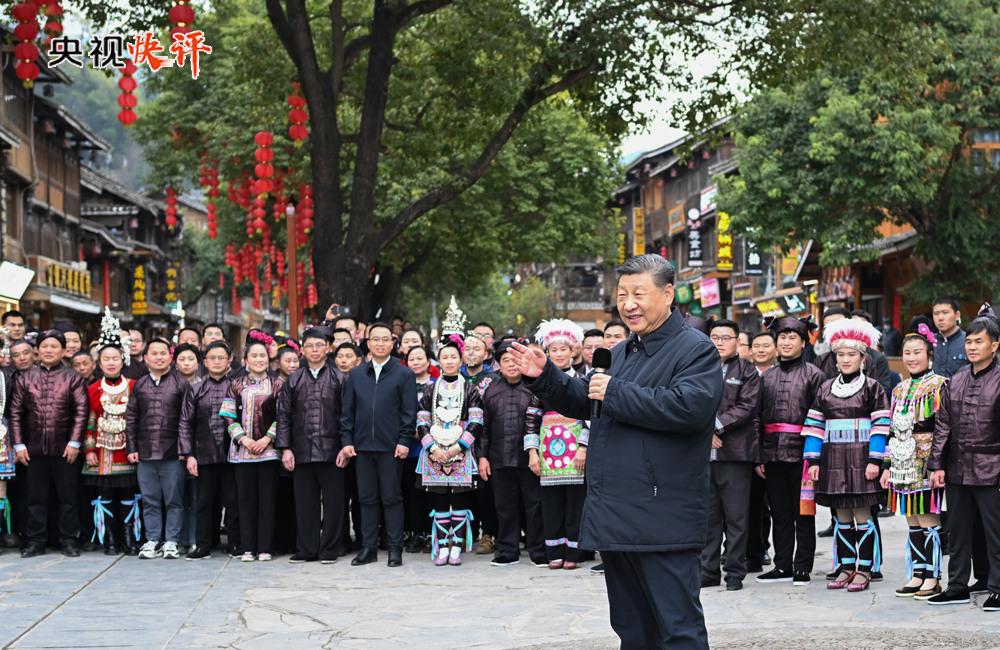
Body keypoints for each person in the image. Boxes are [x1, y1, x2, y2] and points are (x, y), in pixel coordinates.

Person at [511, 254, 723, 650]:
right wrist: (547, 378)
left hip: (663, 517)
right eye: (622, 294)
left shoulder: (695, 349)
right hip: (616, 512)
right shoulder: (623, 350)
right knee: (631, 628)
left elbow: (689, 409)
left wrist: (616, 392)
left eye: (639, 293)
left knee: (678, 629)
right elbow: (588, 399)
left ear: (667, 294)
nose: (629, 303)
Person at [801, 318, 889, 592]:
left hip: (863, 459)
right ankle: (846, 566)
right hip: (834, 460)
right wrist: (813, 461)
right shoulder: (825, 388)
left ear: (863, 357)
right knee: (841, 516)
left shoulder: (873, 387)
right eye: (841, 354)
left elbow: (881, 425)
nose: (846, 359)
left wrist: (876, 460)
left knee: (862, 515)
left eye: (852, 354)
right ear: (834, 358)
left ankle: (865, 568)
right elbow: (815, 426)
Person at [927, 304, 1000, 609]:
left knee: (994, 532)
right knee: (957, 530)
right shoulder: (955, 379)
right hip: (956, 468)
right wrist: (936, 465)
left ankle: (996, 586)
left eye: (978, 341)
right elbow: (943, 425)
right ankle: (958, 584)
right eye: (969, 341)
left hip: (991, 468)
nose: (971, 347)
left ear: (995, 345)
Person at [338, 321, 416, 568]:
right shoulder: (358, 374)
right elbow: (347, 412)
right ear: (368, 343)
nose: (381, 343)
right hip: (362, 448)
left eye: (386, 339)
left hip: (391, 448)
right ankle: (368, 548)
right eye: (376, 339)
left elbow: (409, 413)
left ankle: (395, 549)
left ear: (393, 343)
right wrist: (347, 441)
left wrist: (404, 440)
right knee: (367, 499)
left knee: (392, 498)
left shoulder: (404, 374)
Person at [756, 315, 826, 586]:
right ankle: (782, 565)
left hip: (804, 456)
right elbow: (757, 417)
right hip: (772, 454)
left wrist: (817, 456)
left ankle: (803, 567)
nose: (786, 342)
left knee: (804, 512)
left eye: (792, 338)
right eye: (782, 337)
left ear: (803, 342)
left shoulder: (815, 375)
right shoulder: (766, 377)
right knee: (780, 512)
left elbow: (822, 417)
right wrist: (759, 455)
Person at [879, 324, 947, 599]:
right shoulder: (899, 389)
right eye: (907, 353)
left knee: (929, 517)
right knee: (912, 519)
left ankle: (933, 576)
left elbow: (944, 427)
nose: (911, 357)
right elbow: (893, 429)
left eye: (917, 352)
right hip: (901, 461)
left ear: (930, 354)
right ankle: (917, 573)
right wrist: (886, 465)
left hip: (927, 458)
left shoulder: (940, 385)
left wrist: (938, 462)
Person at [11, 329, 90, 558]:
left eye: (54, 346)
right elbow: (16, 413)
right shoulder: (25, 378)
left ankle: (69, 540)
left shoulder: (72, 377)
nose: (48, 350)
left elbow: (81, 411)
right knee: (35, 497)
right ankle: (35, 541)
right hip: (33, 449)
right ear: (37, 351)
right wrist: (19, 445)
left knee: (67, 496)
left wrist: (75, 442)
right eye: (44, 346)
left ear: (63, 351)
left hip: (65, 448)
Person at [277, 327, 347, 564]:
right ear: (302, 350)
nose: (314, 350)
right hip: (301, 451)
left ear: (328, 348)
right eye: (309, 346)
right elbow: (283, 415)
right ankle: (307, 550)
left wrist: (345, 447)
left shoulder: (340, 378)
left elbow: (348, 417)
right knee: (305, 504)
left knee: (334, 504)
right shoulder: (294, 379)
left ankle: (329, 550)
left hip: (332, 452)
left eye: (319, 345)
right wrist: (285, 448)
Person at [701, 319, 762, 592]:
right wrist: (703, 430)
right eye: (715, 337)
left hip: (734, 453)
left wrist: (715, 426)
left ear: (738, 342)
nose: (719, 342)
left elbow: (747, 407)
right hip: (701, 454)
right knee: (708, 516)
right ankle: (708, 570)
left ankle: (735, 572)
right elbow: (687, 400)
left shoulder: (748, 371)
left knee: (736, 517)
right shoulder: (697, 368)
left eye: (726, 337)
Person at [416, 331, 483, 566]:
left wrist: (459, 447)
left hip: (460, 452)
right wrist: (432, 448)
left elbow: (477, 422)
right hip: (434, 451)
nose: (450, 361)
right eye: (445, 357)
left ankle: (457, 546)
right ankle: (442, 545)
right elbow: (422, 420)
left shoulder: (470, 389)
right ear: (439, 361)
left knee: (460, 499)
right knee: (440, 501)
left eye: (454, 356)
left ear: (461, 359)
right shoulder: (431, 389)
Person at [528, 318, 590, 570]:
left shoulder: (583, 379)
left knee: (576, 503)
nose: (559, 354)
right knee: (551, 504)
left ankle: (574, 553)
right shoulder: (540, 381)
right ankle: (554, 551)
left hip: (575, 449)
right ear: (547, 354)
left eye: (563, 349)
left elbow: (589, 416)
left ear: (573, 351)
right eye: (553, 350)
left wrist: (583, 447)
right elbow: (531, 417)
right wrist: (532, 452)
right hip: (548, 451)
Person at [478, 338, 546, 567]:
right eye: (505, 360)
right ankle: (508, 550)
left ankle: (537, 550)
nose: (511, 364)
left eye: (515, 359)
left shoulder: (534, 387)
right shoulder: (490, 390)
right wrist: (483, 457)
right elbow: (484, 428)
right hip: (498, 459)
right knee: (504, 507)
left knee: (534, 505)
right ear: (498, 364)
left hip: (530, 459)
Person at [221, 330, 284, 562]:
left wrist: (267, 439)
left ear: (269, 359)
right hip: (242, 452)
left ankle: (265, 547)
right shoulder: (235, 384)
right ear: (245, 359)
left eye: (263, 356)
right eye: (254, 356)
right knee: (244, 501)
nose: (259, 359)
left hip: (269, 453)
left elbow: (284, 416)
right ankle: (247, 547)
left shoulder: (277, 384)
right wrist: (243, 439)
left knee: (267, 500)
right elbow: (228, 415)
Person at [126, 337, 191, 560]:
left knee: (174, 499)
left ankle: (171, 541)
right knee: (150, 498)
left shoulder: (181, 384)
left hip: (173, 452)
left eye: (163, 353)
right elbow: (131, 417)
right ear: (146, 359)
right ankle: (152, 539)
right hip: (144, 452)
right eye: (154, 353)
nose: (159, 357)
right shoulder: (139, 385)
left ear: (170, 357)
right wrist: (132, 447)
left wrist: (185, 447)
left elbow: (186, 418)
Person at [83, 309, 140, 556]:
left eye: (115, 358)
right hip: (102, 452)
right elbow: (89, 420)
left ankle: (128, 537)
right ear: (99, 362)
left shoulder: (134, 386)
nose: (111, 362)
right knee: (104, 495)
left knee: (128, 493)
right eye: (106, 358)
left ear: (123, 359)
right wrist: (89, 450)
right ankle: (109, 539)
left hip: (127, 452)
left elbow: (138, 421)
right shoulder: (93, 388)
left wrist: (136, 448)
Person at [179, 340, 239, 560]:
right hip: (203, 453)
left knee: (234, 500)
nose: (216, 362)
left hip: (233, 452)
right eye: (212, 358)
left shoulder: (237, 386)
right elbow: (185, 423)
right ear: (205, 362)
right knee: (203, 502)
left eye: (221, 357)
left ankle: (235, 543)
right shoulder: (195, 389)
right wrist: (189, 455)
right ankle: (203, 545)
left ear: (229, 360)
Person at [403, 345, 434, 553]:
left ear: (429, 362)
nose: (416, 362)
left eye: (420, 358)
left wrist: (426, 433)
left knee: (431, 492)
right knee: (411, 492)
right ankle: (415, 533)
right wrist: (410, 431)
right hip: (409, 447)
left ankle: (432, 533)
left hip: (433, 447)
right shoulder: (402, 385)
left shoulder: (437, 385)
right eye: (411, 359)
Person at [812, 307, 887, 391]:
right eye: (827, 327)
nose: (833, 331)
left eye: (837, 326)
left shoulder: (868, 359)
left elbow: (876, 393)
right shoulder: (821, 361)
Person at [932, 296, 969, 379]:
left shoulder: (969, 342)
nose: (940, 318)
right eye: (936, 313)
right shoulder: (927, 342)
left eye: (945, 312)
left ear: (957, 315)